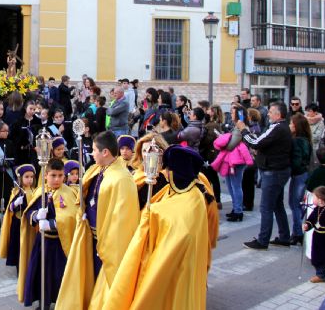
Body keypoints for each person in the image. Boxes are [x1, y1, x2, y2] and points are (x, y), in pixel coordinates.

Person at [103, 146, 215, 310]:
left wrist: (152, 213)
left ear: (178, 172)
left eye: (169, 169)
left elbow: (181, 231)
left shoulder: (193, 197)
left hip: (180, 266)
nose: (166, 172)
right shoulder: (177, 190)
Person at [56, 131, 139, 310]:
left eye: (94, 150)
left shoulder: (122, 178)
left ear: (105, 152)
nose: (92, 153)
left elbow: (122, 220)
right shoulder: (98, 169)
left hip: (107, 244)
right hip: (91, 237)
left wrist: (107, 245)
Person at [20, 158, 78, 308]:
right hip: (42, 242)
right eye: (53, 175)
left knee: (58, 275)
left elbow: (72, 217)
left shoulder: (68, 192)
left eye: (60, 175)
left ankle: (60, 302)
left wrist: (51, 224)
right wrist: (36, 216)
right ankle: (43, 303)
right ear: (46, 175)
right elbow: (29, 211)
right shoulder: (41, 191)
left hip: (60, 244)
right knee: (41, 274)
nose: (57, 179)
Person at [239, 102, 293, 250]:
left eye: (271, 112)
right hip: (278, 169)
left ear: (278, 114)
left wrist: (244, 130)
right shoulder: (281, 128)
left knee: (266, 207)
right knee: (277, 205)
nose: (268, 114)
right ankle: (284, 237)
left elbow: (256, 142)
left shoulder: (277, 128)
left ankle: (263, 240)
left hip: (273, 171)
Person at [211, 111, 253, 222]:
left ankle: (238, 211)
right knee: (231, 186)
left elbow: (231, 145)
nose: (231, 113)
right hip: (231, 160)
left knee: (236, 186)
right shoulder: (235, 127)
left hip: (236, 161)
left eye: (233, 111)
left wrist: (223, 138)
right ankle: (236, 209)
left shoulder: (241, 128)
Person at [0, 164, 36, 272]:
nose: (29, 179)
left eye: (32, 177)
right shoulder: (17, 191)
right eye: (27, 177)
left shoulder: (35, 191)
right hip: (18, 224)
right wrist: (15, 204)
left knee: (30, 244)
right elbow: (10, 208)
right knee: (19, 246)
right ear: (20, 178)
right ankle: (19, 267)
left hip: (30, 224)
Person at [289, 113, 312, 245]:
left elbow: (297, 161)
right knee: (296, 204)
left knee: (295, 204)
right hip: (301, 174)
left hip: (299, 175)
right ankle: (297, 231)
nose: (290, 125)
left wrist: (289, 168)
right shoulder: (304, 139)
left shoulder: (298, 140)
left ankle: (297, 233)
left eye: (292, 123)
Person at [130, 133, 170, 210]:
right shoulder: (137, 173)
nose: (147, 154)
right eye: (144, 151)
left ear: (160, 152)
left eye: (151, 150)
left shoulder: (165, 176)